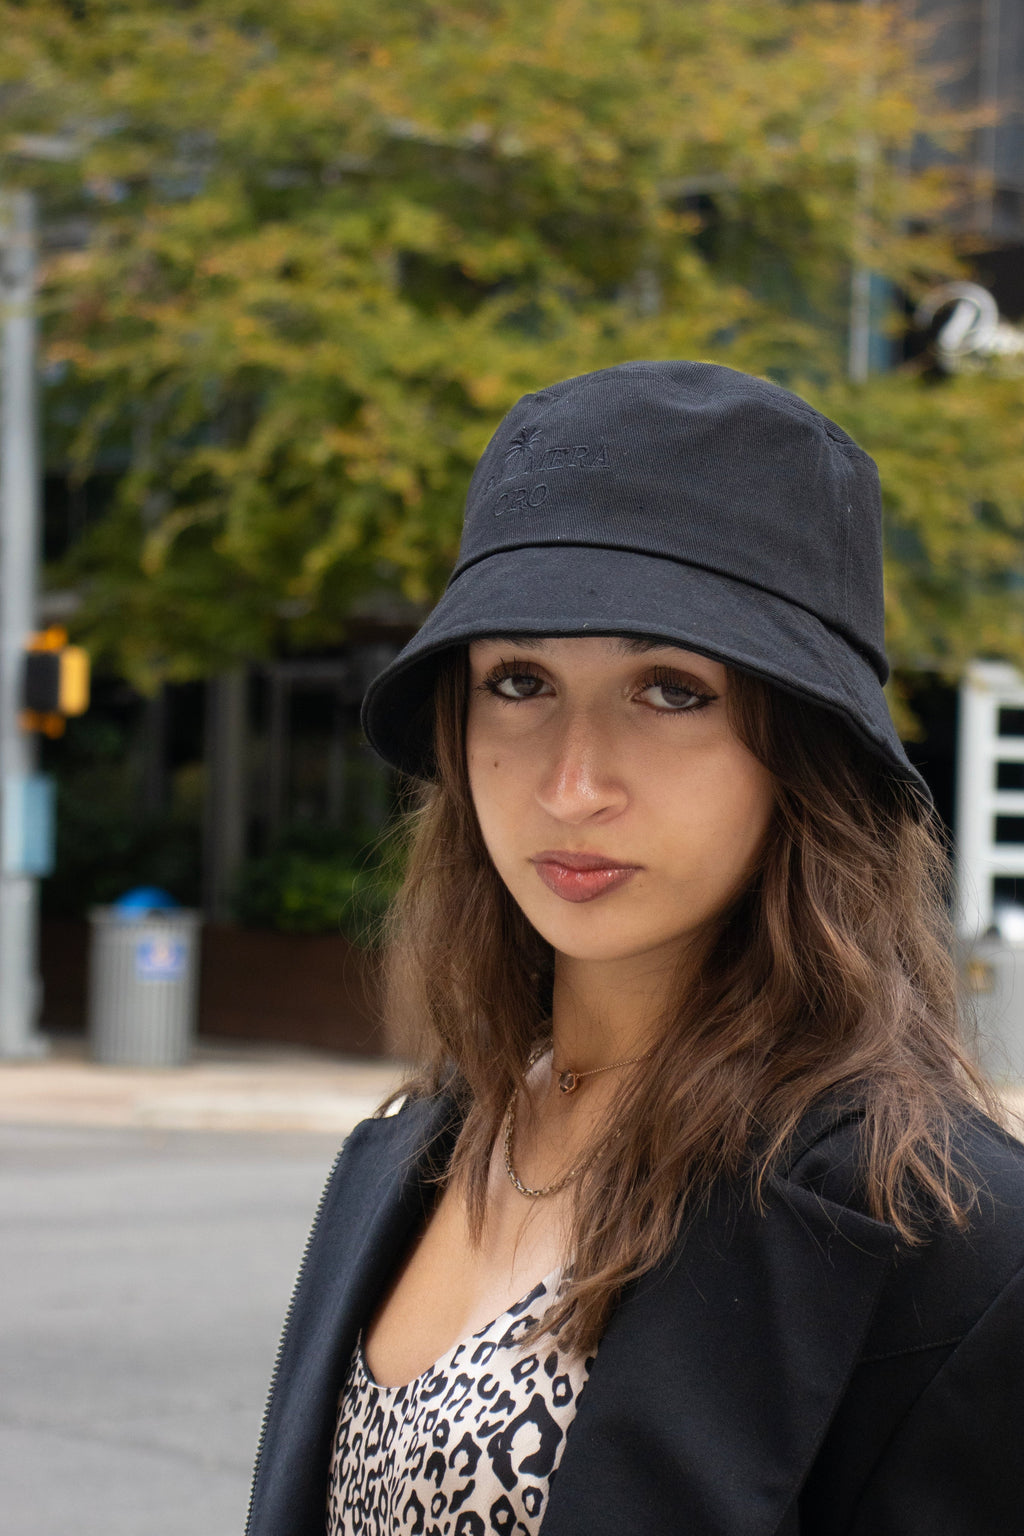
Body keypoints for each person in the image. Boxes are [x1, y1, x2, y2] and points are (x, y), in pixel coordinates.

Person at [246, 361, 1024, 1536]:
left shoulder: (944, 1232)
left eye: (670, 690)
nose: (572, 783)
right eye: (518, 681)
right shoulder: (416, 1151)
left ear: (803, 755)